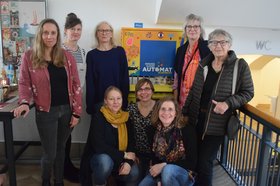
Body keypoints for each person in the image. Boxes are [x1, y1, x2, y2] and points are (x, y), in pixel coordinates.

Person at [13, 18, 82, 186]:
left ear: (58, 35)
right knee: (49, 153)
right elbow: (24, 82)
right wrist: (23, 102)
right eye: (45, 32)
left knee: (60, 151)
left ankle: (59, 182)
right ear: (40, 34)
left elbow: (75, 84)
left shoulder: (66, 56)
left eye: (53, 33)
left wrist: (76, 112)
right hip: (45, 112)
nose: (49, 36)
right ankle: (45, 181)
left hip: (67, 111)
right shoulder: (29, 56)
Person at [182, 29, 254, 186]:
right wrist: (184, 113)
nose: (218, 45)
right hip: (196, 120)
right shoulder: (204, 65)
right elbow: (194, 91)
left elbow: (248, 92)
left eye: (223, 42)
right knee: (194, 159)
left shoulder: (239, 66)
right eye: (214, 42)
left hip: (218, 123)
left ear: (229, 45)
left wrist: (228, 103)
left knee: (205, 161)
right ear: (209, 45)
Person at [80, 86, 139, 186]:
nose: (116, 102)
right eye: (111, 99)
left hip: (119, 159)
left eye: (118, 98)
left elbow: (131, 143)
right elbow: (99, 146)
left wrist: (128, 162)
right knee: (105, 162)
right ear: (106, 101)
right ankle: (100, 183)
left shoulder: (126, 117)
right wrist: (124, 155)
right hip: (99, 158)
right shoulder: (99, 117)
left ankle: (117, 180)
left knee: (134, 172)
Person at [139, 96, 197, 186]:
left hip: (184, 173)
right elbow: (154, 158)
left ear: (176, 113)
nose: (166, 113)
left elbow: (191, 162)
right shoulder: (152, 130)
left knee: (168, 170)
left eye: (170, 109)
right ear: (158, 112)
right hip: (161, 171)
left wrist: (164, 165)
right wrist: (159, 180)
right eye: (163, 109)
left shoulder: (187, 130)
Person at [62, 12, 87, 183]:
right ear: (65, 31)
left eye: (78, 29)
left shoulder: (83, 52)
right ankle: (63, 169)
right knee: (62, 137)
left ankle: (67, 166)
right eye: (73, 29)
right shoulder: (58, 51)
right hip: (61, 100)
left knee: (68, 135)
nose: (76, 32)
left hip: (76, 101)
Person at [86, 21, 129, 116]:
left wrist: (124, 102)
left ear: (111, 34)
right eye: (101, 30)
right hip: (99, 103)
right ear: (96, 34)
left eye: (107, 30)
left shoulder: (119, 52)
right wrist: (90, 105)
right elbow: (90, 82)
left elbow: (125, 78)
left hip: (117, 103)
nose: (104, 33)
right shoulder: (91, 55)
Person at [173, 13, 211, 108]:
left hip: (200, 100)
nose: (192, 29)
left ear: (201, 29)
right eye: (189, 26)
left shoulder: (208, 48)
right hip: (182, 100)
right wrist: (175, 101)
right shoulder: (180, 50)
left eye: (196, 26)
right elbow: (176, 77)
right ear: (185, 29)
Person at [127, 78, 156, 182]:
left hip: (155, 156)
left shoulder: (159, 108)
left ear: (152, 91)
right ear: (136, 93)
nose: (143, 92)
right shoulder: (131, 109)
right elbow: (128, 134)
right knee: (134, 178)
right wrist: (132, 153)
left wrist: (155, 158)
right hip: (137, 155)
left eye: (147, 89)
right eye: (140, 89)